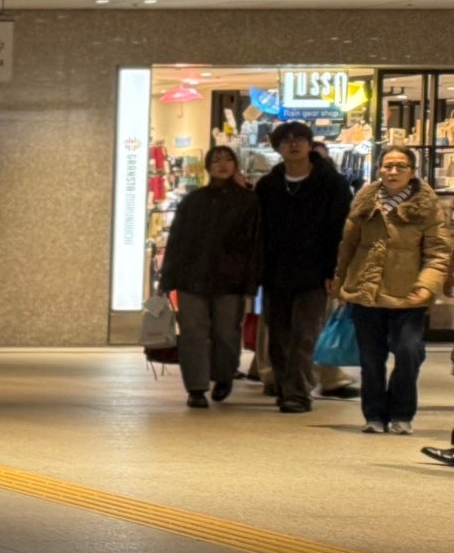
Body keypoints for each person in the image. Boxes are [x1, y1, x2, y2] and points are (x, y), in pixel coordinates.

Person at [334, 144, 449, 435]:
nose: (393, 171)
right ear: (379, 169)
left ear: (412, 172)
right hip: (367, 293)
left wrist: (427, 286)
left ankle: (401, 412)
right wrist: (339, 280)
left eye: (401, 166)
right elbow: (348, 246)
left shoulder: (428, 206)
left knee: (409, 352)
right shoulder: (365, 201)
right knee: (371, 359)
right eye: (388, 165)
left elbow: (438, 252)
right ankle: (374, 414)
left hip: (409, 295)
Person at [256, 120, 351, 413]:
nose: (293, 144)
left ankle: (297, 393)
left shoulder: (332, 184)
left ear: (310, 144)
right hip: (275, 272)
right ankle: (285, 386)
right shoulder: (268, 186)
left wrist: (334, 271)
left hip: (315, 272)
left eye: (299, 139)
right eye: (286, 140)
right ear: (278, 147)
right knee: (278, 335)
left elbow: (341, 231)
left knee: (304, 334)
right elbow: (257, 232)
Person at [161, 144, 261, 408]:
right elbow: (177, 240)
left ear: (235, 165)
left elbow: (255, 243)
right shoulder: (193, 200)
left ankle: (224, 375)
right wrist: (168, 276)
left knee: (226, 332)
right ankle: (196, 387)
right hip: (191, 277)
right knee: (192, 332)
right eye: (216, 160)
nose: (222, 164)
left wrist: (251, 279)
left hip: (231, 279)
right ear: (207, 167)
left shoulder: (248, 202)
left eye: (228, 159)